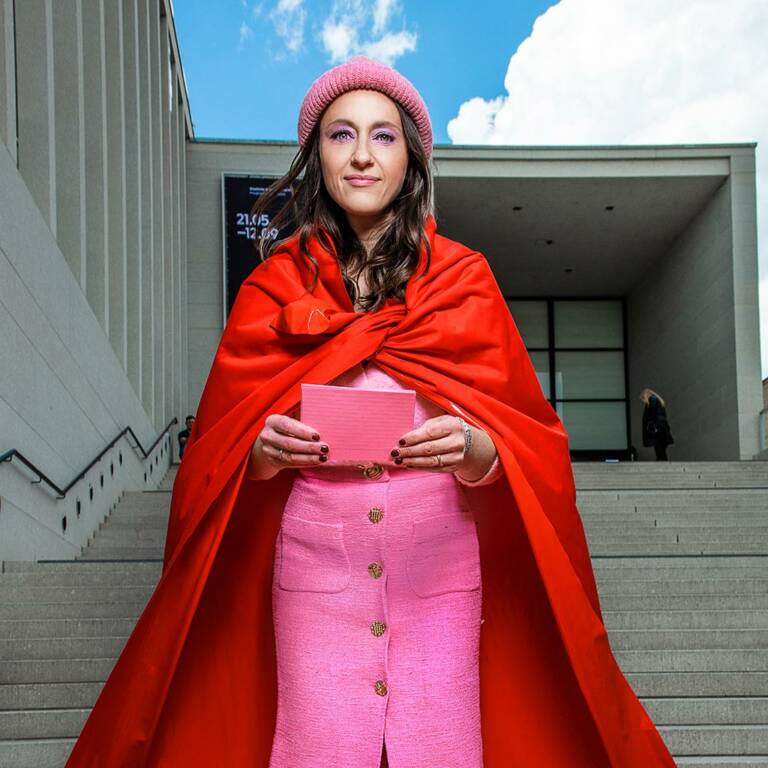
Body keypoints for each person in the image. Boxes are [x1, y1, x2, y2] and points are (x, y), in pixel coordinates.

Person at [64, 56, 677, 767]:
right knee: (317, 751)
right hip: (313, 570)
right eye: (340, 135)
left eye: (383, 137)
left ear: (411, 159)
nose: (361, 155)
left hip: (440, 564)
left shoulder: (464, 278)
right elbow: (217, 452)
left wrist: (475, 450)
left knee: (443, 752)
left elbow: (530, 442)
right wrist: (262, 454)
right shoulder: (272, 285)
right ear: (315, 155)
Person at [640, 388, 674, 461]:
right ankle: (663, 463)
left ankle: (662, 464)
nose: (643, 401)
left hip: (658, 427)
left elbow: (652, 415)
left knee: (659, 448)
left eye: (643, 398)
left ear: (646, 396)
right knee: (662, 449)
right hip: (662, 427)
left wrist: (651, 426)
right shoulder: (658, 400)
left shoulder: (653, 400)